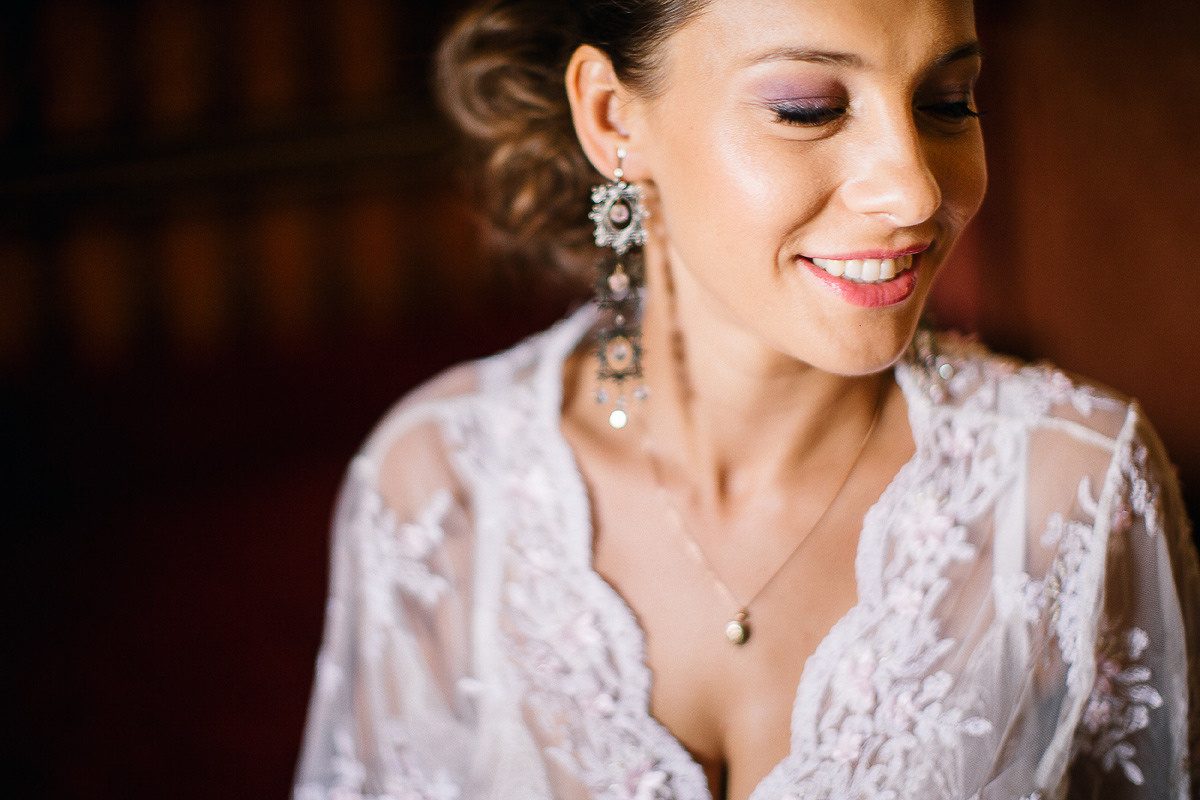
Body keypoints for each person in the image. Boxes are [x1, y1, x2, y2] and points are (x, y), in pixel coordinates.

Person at [293, 0, 1200, 797]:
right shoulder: (442, 483)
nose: (914, 191)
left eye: (946, 102)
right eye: (808, 108)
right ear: (613, 118)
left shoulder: (1071, 489)